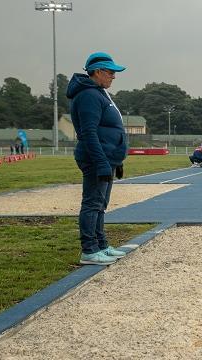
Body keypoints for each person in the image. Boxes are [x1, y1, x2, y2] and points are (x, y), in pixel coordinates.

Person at [66, 52, 127, 265]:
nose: (113, 76)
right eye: (110, 72)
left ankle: (101, 244)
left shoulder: (98, 93)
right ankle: (89, 250)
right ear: (98, 71)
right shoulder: (88, 95)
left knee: (100, 204)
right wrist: (101, 162)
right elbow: (89, 132)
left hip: (106, 158)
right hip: (95, 158)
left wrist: (116, 160)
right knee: (92, 203)